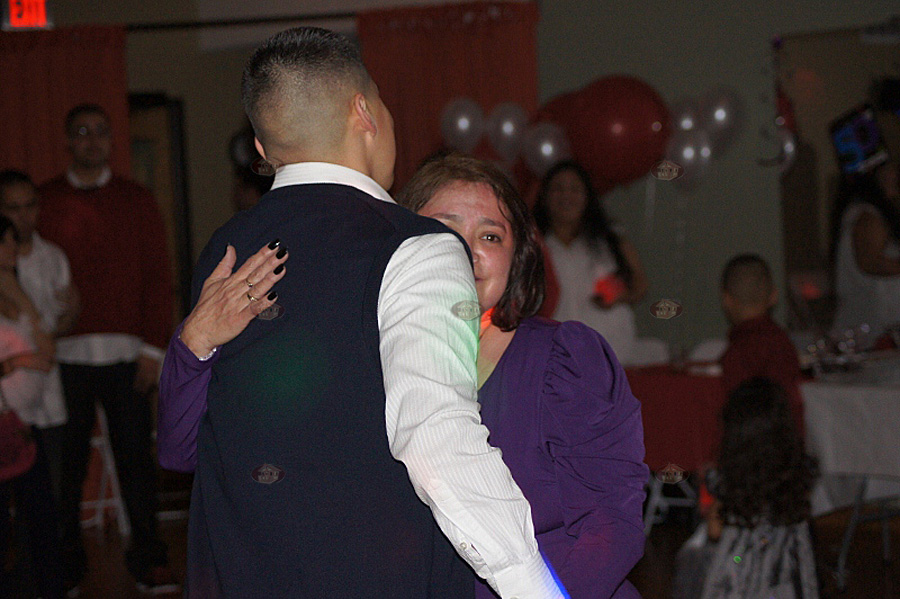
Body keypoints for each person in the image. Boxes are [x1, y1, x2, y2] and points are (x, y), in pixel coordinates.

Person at [160, 27, 563, 598]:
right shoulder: (416, 247)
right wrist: (533, 586)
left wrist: (191, 346)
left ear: (261, 149)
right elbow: (435, 435)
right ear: (364, 113)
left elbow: (181, 449)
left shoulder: (225, 249)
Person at [160, 153, 649, 598]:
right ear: (403, 245)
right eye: (445, 229)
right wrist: (195, 343)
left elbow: (612, 525)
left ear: (517, 256)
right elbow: (185, 451)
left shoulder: (565, 361)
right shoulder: (352, 359)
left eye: (491, 236)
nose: (466, 251)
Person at [37, 104, 177, 594]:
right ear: (68, 141)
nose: (92, 140)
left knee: (138, 465)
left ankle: (149, 559)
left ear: (111, 140)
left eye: (100, 132)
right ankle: (65, 567)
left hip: (127, 357)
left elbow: (158, 276)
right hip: (63, 359)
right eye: (82, 132)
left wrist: (154, 351)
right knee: (66, 469)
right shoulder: (45, 201)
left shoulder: (136, 200)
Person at [671, 378, 819, 599]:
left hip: (738, 573)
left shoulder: (731, 482)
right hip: (782, 574)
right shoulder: (795, 474)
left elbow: (715, 530)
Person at [0, 169, 77, 500]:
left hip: (44, 395)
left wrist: (70, 315)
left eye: (30, 206)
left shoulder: (52, 257)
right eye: (13, 208)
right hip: (8, 405)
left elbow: (54, 329)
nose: (23, 216)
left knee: (47, 495)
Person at [0, 214, 66, 598]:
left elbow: (46, 347)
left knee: (40, 514)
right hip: (6, 419)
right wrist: (18, 362)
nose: (14, 248)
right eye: (6, 241)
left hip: (28, 419)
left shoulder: (16, 287)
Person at [533, 161, 648, 365]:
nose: (566, 196)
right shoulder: (531, 243)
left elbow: (640, 285)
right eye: (558, 189)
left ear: (587, 197)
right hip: (552, 351)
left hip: (608, 347)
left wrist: (619, 294)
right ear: (545, 196)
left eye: (574, 189)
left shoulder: (610, 241)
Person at [719, 254, 805, 439]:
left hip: (752, 444)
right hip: (788, 442)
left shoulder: (738, 350)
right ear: (773, 296)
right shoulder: (782, 342)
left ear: (727, 300)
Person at [830, 159, 900, 341]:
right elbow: (870, 262)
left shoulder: (865, 213)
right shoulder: (867, 217)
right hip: (872, 334)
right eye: (888, 169)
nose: (895, 173)